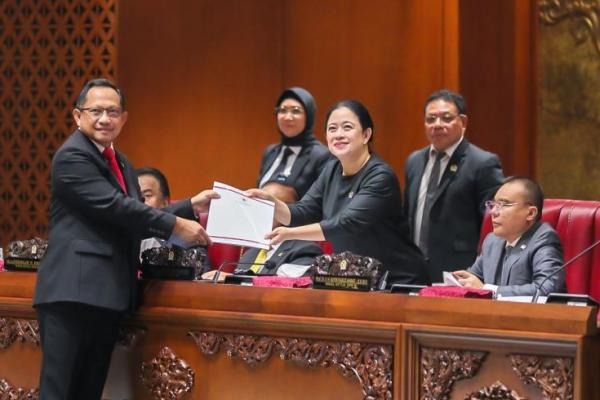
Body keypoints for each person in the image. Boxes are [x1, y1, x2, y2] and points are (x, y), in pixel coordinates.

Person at [33, 78, 219, 400]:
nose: (105, 118)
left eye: (112, 111)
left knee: (87, 392)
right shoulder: (72, 157)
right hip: (71, 293)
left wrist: (189, 207)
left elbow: (133, 215)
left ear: (124, 118)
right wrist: (176, 225)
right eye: (96, 111)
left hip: (105, 295)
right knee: (60, 392)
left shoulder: (120, 161)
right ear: (78, 116)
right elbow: (115, 207)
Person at [248, 100, 430, 286]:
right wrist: (272, 202)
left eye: (347, 127)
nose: (338, 135)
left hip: (399, 281)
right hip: (358, 279)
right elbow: (303, 212)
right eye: (332, 128)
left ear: (366, 134)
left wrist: (289, 234)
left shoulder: (380, 176)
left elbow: (345, 223)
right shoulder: (331, 169)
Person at [404, 89, 504, 282]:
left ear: (463, 122)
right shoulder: (414, 161)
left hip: (460, 270)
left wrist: (481, 271)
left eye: (446, 118)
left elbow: (492, 224)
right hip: (414, 269)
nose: (437, 125)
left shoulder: (483, 163)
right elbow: (407, 214)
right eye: (431, 119)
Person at [453, 177, 565, 297]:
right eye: (494, 204)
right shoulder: (492, 241)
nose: (493, 212)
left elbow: (547, 288)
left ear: (531, 213)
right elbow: (475, 278)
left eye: (504, 204)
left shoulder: (544, 239)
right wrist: (459, 281)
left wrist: (487, 289)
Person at [202, 183, 323, 280]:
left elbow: (292, 284)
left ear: (287, 210)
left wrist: (233, 279)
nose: (258, 211)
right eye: (257, 204)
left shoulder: (305, 249)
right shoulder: (250, 252)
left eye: (266, 204)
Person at [257, 87, 330, 201]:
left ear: (309, 116)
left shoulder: (322, 155)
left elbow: (322, 203)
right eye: (282, 110)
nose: (287, 117)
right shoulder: (270, 151)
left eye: (296, 111)